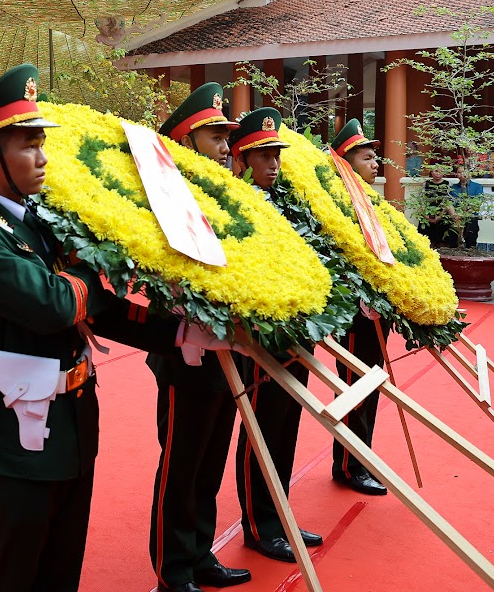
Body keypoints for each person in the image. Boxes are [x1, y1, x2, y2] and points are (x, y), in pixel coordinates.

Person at [0, 64, 229, 592]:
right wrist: (94, 264)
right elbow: (53, 304)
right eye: (28, 145)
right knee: (15, 567)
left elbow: (97, 310)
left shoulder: (43, 221)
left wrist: (180, 333)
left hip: (75, 416)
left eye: (40, 143)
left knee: (62, 564)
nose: (43, 157)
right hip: (22, 423)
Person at [147, 83, 250, 592]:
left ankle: (200, 553)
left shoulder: (226, 195)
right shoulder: (164, 198)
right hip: (186, 351)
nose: (226, 146)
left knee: (210, 461)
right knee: (182, 465)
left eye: (226, 136)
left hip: (229, 345)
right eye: (215, 136)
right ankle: (173, 567)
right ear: (186, 141)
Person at [229, 108, 323, 563]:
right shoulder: (236, 203)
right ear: (242, 159)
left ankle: (280, 515)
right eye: (263, 156)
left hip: (297, 332)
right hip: (262, 337)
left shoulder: (288, 202)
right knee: (264, 431)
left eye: (276, 156)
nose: (273, 164)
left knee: (287, 428)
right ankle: (260, 525)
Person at [328, 119, 390, 496]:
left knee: (371, 388)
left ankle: (360, 459)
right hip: (354, 314)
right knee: (355, 390)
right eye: (368, 158)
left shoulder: (368, 200)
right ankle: (350, 465)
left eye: (375, 157)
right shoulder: (337, 204)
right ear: (347, 163)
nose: (376, 163)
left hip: (375, 315)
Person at [447, 164, 484, 248]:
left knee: (471, 238)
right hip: (455, 218)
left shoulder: (477, 187)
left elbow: (476, 204)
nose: (462, 174)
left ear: (470, 174)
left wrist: (463, 215)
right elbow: (449, 203)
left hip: (470, 217)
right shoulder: (453, 188)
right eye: (459, 172)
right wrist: (454, 215)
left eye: (464, 172)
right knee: (452, 241)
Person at [418, 164, 451, 248]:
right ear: (431, 172)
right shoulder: (426, 184)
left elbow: (447, 202)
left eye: (440, 171)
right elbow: (421, 200)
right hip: (427, 213)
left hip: (441, 213)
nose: (437, 174)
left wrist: (440, 216)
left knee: (441, 235)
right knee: (425, 239)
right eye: (436, 171)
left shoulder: (448, 184)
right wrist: (426, 216)